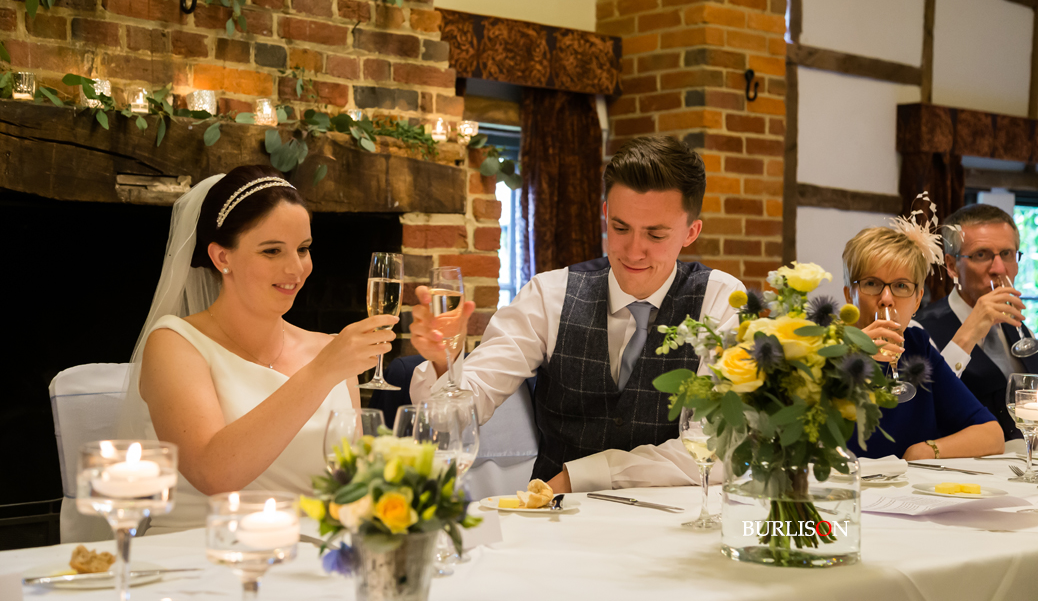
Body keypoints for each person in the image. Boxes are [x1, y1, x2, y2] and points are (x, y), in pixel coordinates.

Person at [408, 135, 746, 493]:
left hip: (676, 518)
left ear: (691, 232)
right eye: (620, 228)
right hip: (554, 516)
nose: (633, 251)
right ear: (605, 214)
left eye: (656, 235)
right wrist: (445, 363)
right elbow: (458, 415)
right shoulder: (548, 295)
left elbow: (717, 447)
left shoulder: (720, 301)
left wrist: (582, 476)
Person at [120, 165, 397, 532]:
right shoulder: (174, 344)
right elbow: (213, 474)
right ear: (222, 258)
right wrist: (321, 372)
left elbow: (354, 483)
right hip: (202, 552)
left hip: (317, 552)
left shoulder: (329, 349)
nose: (296, 269)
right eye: (272, 251)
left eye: (303, 249)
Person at [842, 224, 1003, 460]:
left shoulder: (917, 346)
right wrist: (854, 353)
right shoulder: (824, 349)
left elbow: (991, 435)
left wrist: (926, 450)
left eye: (901, 286)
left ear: (917, 300)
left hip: (914, 485)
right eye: (872, 284)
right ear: (850, 295)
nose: (886, 299)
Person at [915, 204, 1038, 440]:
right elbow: (922, 407)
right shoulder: (920, 330)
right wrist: (969, 333)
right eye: (981, 255)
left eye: (1007, 254)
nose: (999, 268)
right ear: (952, 266)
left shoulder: (1019, 326)